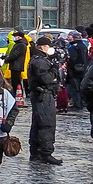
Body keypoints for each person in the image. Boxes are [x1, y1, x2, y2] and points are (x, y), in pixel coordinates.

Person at [26, 36, 63, 165]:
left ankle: (36, 152)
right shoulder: (40, 61)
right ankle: (45, 152)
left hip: (41, 94)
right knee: (47, 123)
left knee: (38, 123)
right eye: (48, 46)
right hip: (43, 95)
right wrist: (54, 69)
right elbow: (46, 78)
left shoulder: (40, 60)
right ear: (43, 47)